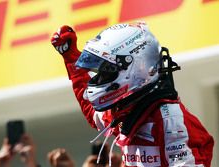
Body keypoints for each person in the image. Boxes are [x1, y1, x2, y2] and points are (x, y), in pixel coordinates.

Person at [51, 21, 214, 167]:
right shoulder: (126, 111)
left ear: (132, 68)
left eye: (106, 71)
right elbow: (93, 114)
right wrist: (71, 57)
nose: (100, 78)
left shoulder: (170, 121)